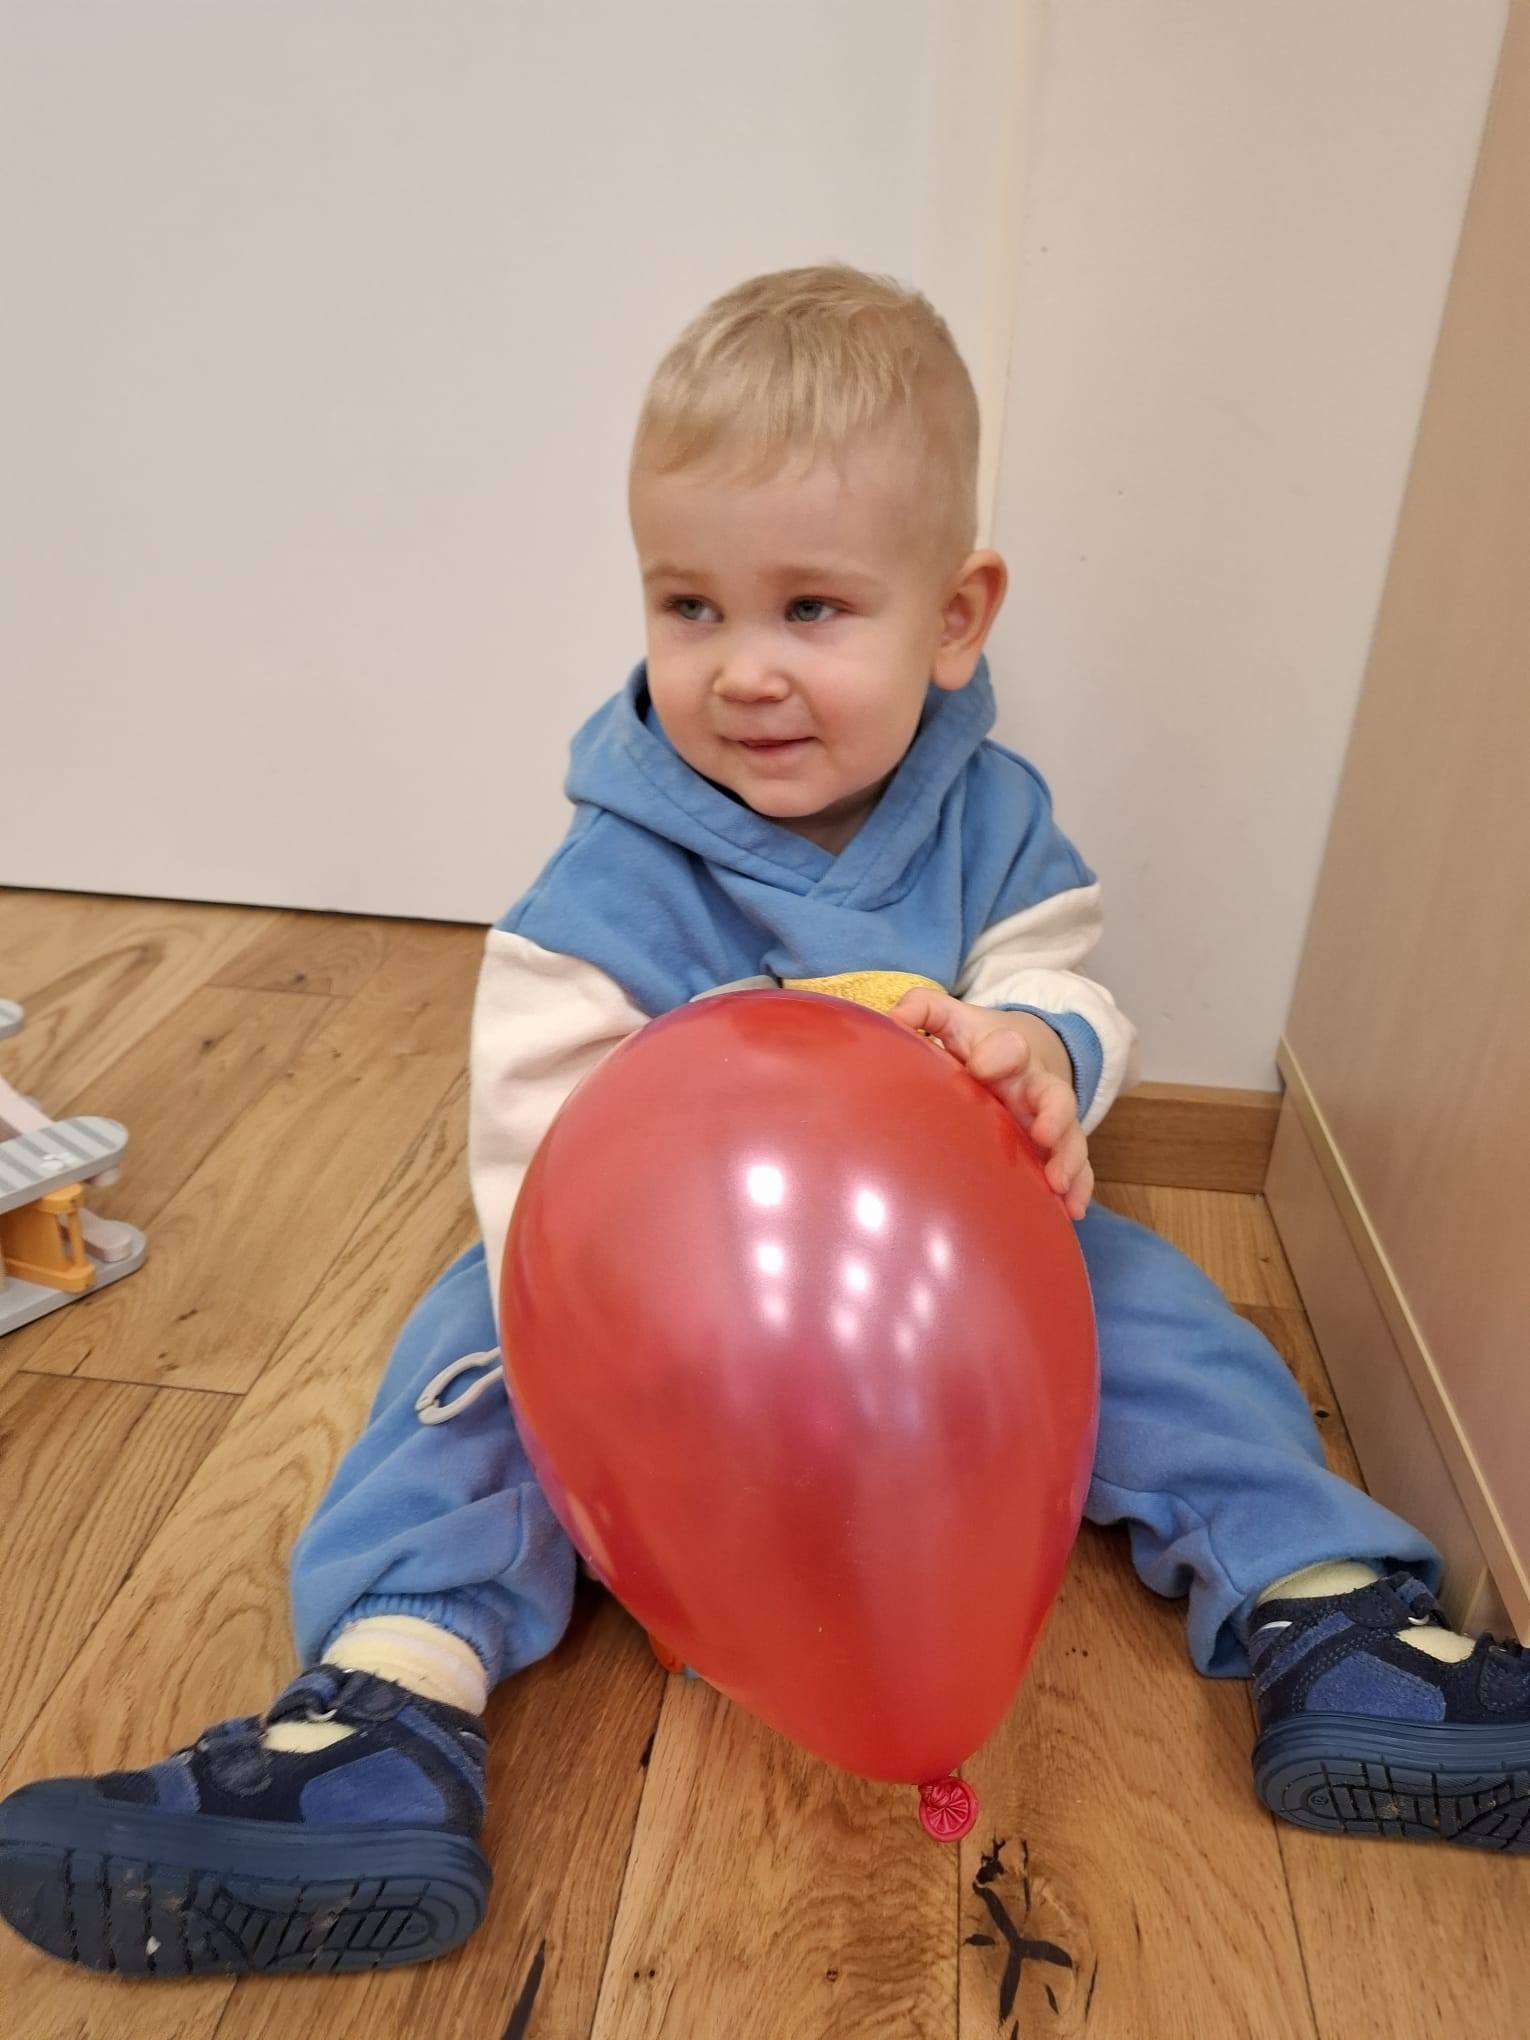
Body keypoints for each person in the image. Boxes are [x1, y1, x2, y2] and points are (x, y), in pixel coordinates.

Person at [3, 264, 1524, 1983]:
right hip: (639, 1313)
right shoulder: (608, 879)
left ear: (953, 618)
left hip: (954, 1282)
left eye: (810, 609)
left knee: (1161, 1321)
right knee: (464, 1383)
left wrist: (1037, 1047)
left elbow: (1062, 975)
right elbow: (536, 1143)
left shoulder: (988, 815)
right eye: (689, 608)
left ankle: (1333, 1622)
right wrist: (634, 1360)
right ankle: (383, 1710)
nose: (741, 672)